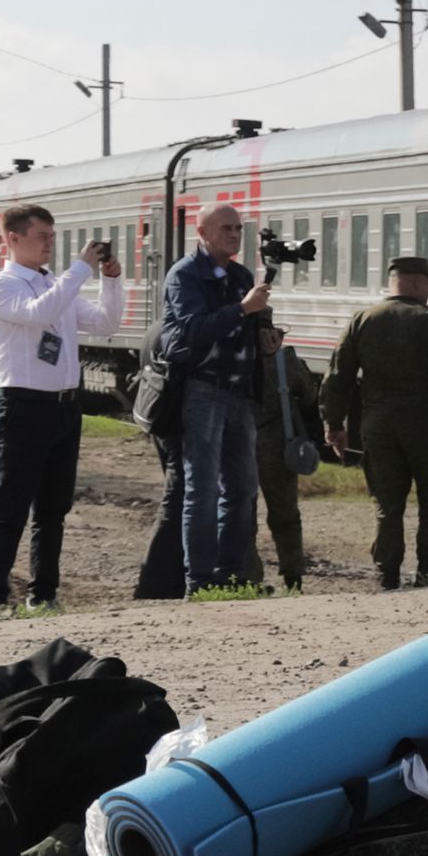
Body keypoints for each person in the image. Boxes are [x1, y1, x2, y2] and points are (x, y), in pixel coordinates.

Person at [0, 205, 120, 608]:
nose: (49, 245)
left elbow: (106, 324)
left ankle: (44, 595)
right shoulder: (2, 285)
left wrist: (111, 281)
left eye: (52, 237)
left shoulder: (57, 284)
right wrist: (81, 271)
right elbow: (40, 314)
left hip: (63, 406)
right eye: (42, 237)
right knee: (11, 505)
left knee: (54, 507)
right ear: (14, 239)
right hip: (23, 405)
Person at [323, 252, 428, 588]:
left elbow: (338, 377)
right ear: (418, 282)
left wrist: (334, 425)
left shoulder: (363, 319)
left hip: (378, 427)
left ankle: (386, 573)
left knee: (387, 505)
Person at [154, 202, 273, 594]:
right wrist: (241, 309)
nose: (235, 234)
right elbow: (190, 331)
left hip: (238, 392)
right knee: (201, 488)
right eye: (226, 228)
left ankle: (231, 574)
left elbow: (244, 328)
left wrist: (265, 338)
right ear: (202, 232)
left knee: (241, 488)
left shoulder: (240, 274)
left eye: (238, 228)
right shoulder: (185, 275)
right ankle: (199, 579)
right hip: (202, 390)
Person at [253, 340, 319, 591]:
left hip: (239, 443)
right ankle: (293, 577)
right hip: (279, 447)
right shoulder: (284, 360)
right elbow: (309, 395)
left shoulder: (233, 354)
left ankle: (248, 574)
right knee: (286, 515)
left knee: (240, 515)